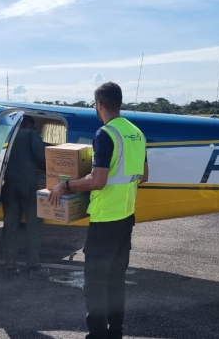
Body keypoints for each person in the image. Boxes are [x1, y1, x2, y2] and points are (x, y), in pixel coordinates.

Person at [48, 82, 148, 339]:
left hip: (105, 221)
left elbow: (98, 180)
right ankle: (115, 333)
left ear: (99, 105)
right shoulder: (136, 133)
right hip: (126, 218)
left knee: (94, 285)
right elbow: (144, 175)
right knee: (116, 283)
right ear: (120, 102)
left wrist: (65, 184)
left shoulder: (106, 134)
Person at [1, 115, 51, 280]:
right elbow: (42, 156)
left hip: (8, 185)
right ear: (29, 124)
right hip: (28, 184)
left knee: (10, 226)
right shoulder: (29, 134)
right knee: (33, 225)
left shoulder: (5, 135)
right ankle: (33, 266)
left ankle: (10, 267)